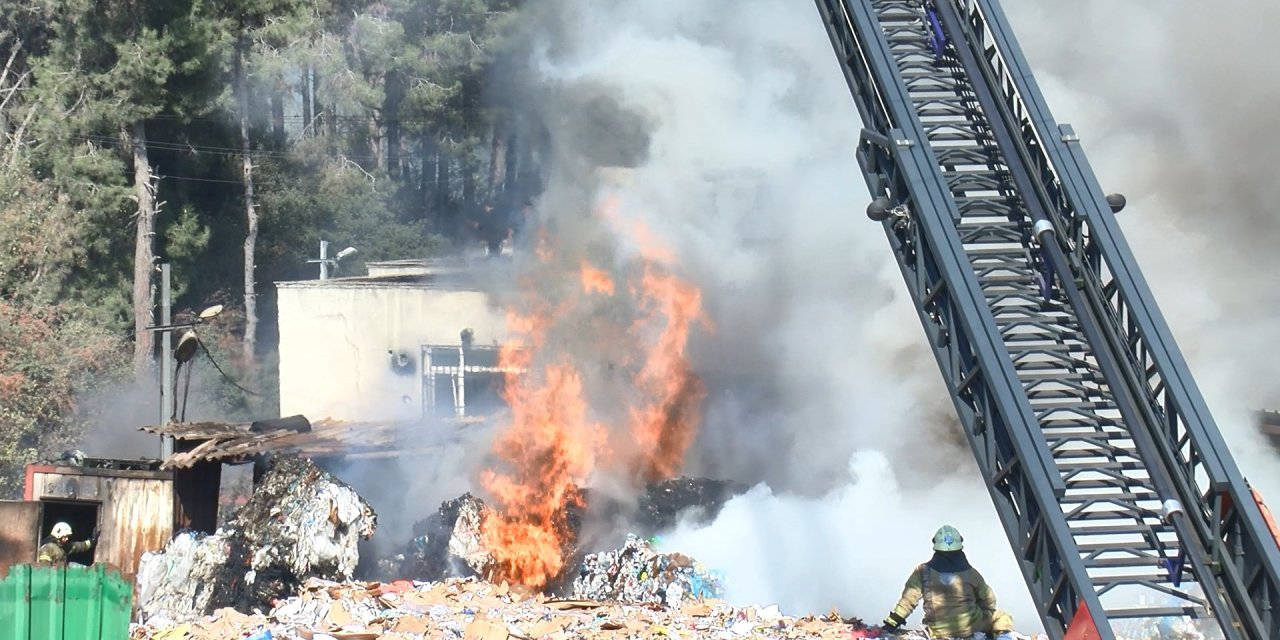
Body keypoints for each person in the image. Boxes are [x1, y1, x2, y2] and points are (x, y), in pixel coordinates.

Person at [882, 524, 1014, 639]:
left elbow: (907, 602)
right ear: (960, 546)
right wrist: (983, 614)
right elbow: (989, 600)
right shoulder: (971, 573)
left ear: (935, 546)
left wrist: (889, 625)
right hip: (970, 627)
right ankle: (1003, 637)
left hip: (938, 631)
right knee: (1002, 616)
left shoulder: (922, 571)